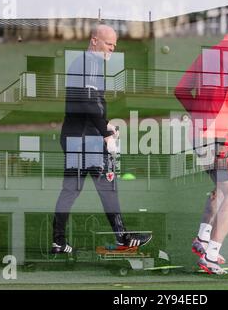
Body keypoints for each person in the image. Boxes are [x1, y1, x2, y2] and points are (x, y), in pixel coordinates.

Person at [51, 23, 152, 254]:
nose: (112, 49)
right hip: (87, 140)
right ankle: (122, 237)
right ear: (94, 40)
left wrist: (104, 125)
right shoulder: (90, 62)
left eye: (115, 46)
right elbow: (88, 100)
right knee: (107, 187)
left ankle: (58, 240)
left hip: (77, 137)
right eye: (109, 44)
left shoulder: (82, 64)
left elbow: (86, 102)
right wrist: (105, 133)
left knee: (71, 190)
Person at [174, 12, 228, 274]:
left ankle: (202, 237)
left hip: (199, 136)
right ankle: (211, 254)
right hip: (220, 136)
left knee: (220, 191)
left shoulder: (207, 55)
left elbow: (181, 90)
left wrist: (198, 113)